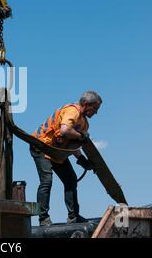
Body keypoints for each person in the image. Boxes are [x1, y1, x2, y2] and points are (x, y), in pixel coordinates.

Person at [30, 91, 102, 226]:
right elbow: (64, 130)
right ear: (86, 105)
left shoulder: (84, 124)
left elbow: (71, 144)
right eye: (95, 109)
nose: (96, 113)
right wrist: (81, 136)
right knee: (46, 181)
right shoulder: (72, 111)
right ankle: (43, 218)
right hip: (41, 145)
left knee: (70, 179)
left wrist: (82, 160)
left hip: (56, 150)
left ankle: (74, 216)